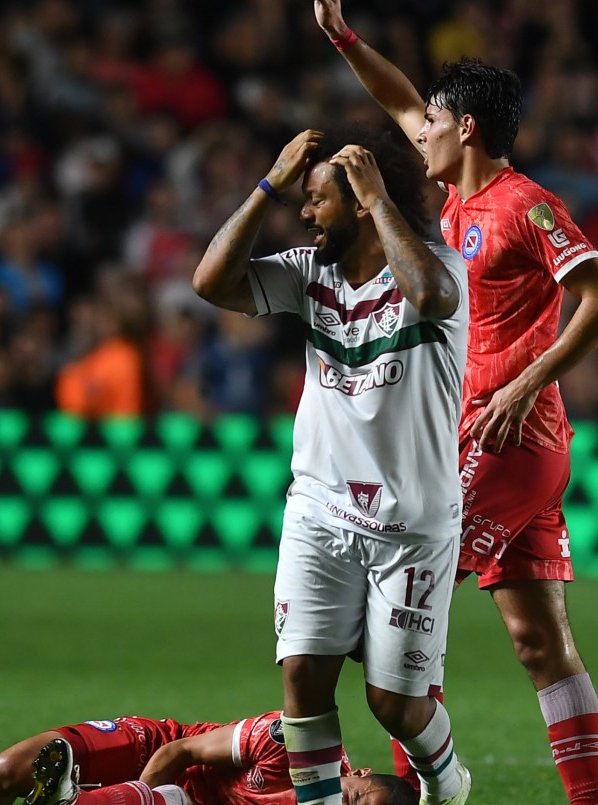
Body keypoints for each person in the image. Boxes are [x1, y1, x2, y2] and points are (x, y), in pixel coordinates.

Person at [312, 3, 598, 804]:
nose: (419, 129)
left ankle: (433, 788)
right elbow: (395, 99)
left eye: (436, 120)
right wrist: (344, 37)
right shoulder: (453, 198)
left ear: (469, 128)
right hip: (503, 442)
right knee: (539, 642)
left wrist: (524, 383)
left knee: (397, 617)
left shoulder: (524, 206)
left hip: (505, 438)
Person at [192, 125, 473, 805]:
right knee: (303, 680)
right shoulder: (305, 271)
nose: (306, 212)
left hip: (411, 526)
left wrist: (381, 202)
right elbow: (210, 282)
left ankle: (450, 783)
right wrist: (268, 185)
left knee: (394, 706)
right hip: (319, 509)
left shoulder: (435, 266)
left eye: (317, 199)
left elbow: (434, 298)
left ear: (361, 200)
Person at [0, 710, 416, 805]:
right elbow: (180, 750)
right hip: (155, 751)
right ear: (355, 772)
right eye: (353, 800)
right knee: (3, 773)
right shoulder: (290, 742)